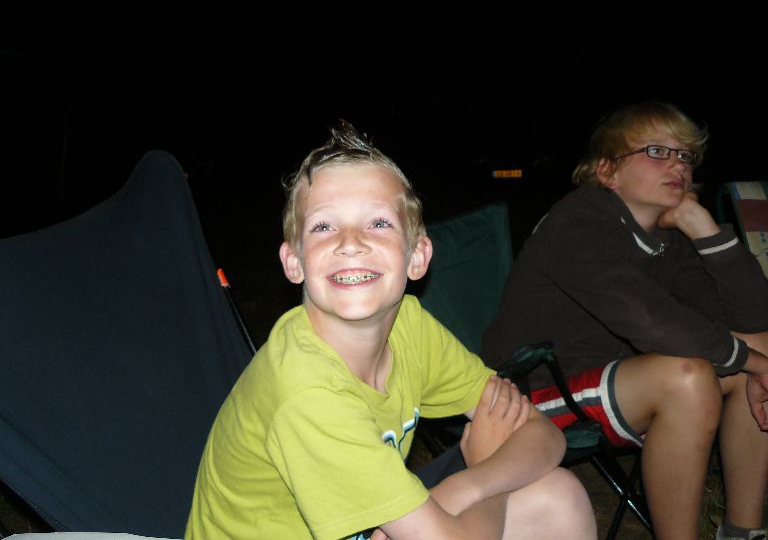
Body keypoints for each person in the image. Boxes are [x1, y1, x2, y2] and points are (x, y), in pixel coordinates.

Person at [185, 121, 597, 539]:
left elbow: (542, 434)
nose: (350, 242)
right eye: (324, 226)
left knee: (558, 495)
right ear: (294, 262)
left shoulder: (408, 327)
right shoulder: (306, 388)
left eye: (378, 223)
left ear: (417, 256)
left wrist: (469, 485)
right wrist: (485, 469)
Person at [482, 101, 768, 540]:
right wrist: (753, 363)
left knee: (762, 345)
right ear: (607, 171)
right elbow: (649, 321)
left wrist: (704, 227)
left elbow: (752, 317)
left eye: (685, 155)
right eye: (656, 151)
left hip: (615, 376)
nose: (677, 164)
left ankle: (742, 533)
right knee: (687, 377)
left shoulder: (668, 240)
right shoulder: (579, 224)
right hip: (526, 393)